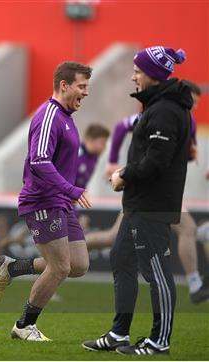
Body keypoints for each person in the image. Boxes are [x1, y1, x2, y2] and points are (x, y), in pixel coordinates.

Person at [82, 46, 192, 355]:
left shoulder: (165, 111)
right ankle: (119, 333)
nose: (133, 76)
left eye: (138, 71)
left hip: (153, 205)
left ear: (154, 75)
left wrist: (124, 175)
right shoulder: (159, 107)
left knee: (156, 270)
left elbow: (156, 161)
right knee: (121, 257)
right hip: (140, 203)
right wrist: (127, 176)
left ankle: (160, 341)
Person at [0, 61, 93, 341]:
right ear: (64, 85)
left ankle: (13, 267)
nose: (85, 93)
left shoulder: (67, 119)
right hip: (43, 201)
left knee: (79, 264)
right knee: (59, 267)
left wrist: (67, 193)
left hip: (60, 201)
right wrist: (69, 188)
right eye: (81, 86)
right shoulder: (49, 115)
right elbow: (38, 160)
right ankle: (24, 326)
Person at [85, 80, 209, 304]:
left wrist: (192, 150)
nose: (194, 106)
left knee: (113, 239)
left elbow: (175, 156)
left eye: (198, 103)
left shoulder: (185, 118)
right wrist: (112, 162)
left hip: (159, 188)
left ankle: (72, 248)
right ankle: (194, 285)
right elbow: (123, 126)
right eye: (194, 100)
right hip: (151, 187)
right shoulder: (166, 113)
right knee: (188, 228)